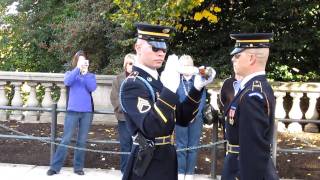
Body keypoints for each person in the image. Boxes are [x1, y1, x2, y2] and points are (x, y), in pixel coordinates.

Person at [119, 23, 215, 180]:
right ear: (138, 48)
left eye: (163, 48)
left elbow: (183, 118)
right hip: (148, 164)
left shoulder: (159, 81)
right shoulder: (133, 84)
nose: (161, 52)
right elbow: (151, 128)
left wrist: (197, 88)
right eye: (154, 47)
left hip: (166, 158)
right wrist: (170, 89)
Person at [221, 33, 279, 180]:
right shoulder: (254, 88)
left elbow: (253, 150)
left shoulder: (252, 95)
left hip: (242, 171)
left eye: (238, 55)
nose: (233, 59)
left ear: (251, 58)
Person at [47, 50, 97, 176]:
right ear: (76, 62)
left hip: (86, 112)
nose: (82, 62)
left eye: (84, 60)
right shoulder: (70, 73)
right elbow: (67, 82)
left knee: (82, 141)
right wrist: (77, 69)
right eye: (79, 60)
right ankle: (55, 167)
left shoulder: (90, 76)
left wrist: (85, 74)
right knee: (66, 139)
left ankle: (78, 167)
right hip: (72, 111)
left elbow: (92, 87)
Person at [175, 55, 206, 180]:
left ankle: (189, 174)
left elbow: (202, 99)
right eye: (183, 66)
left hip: (196, 119)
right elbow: (175, 99)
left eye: (188, 65)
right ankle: (180, 172)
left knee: (193, 147)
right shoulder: (176, 80)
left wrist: (194, 114)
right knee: (181, 146)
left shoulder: (199, 80)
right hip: (180, 118)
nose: (186, 68)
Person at [110, 53, 136, 173]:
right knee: (125, 145)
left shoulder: (140, 78)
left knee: (136, 146)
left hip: (137, 119)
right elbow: (114, 98)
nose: (132, 66)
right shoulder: (118, 79)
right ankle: (125, 171)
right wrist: (125, 108)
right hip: (124, 118)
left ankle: (134, 171)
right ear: (125, 65)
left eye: (134, 63)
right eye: (130, 63)